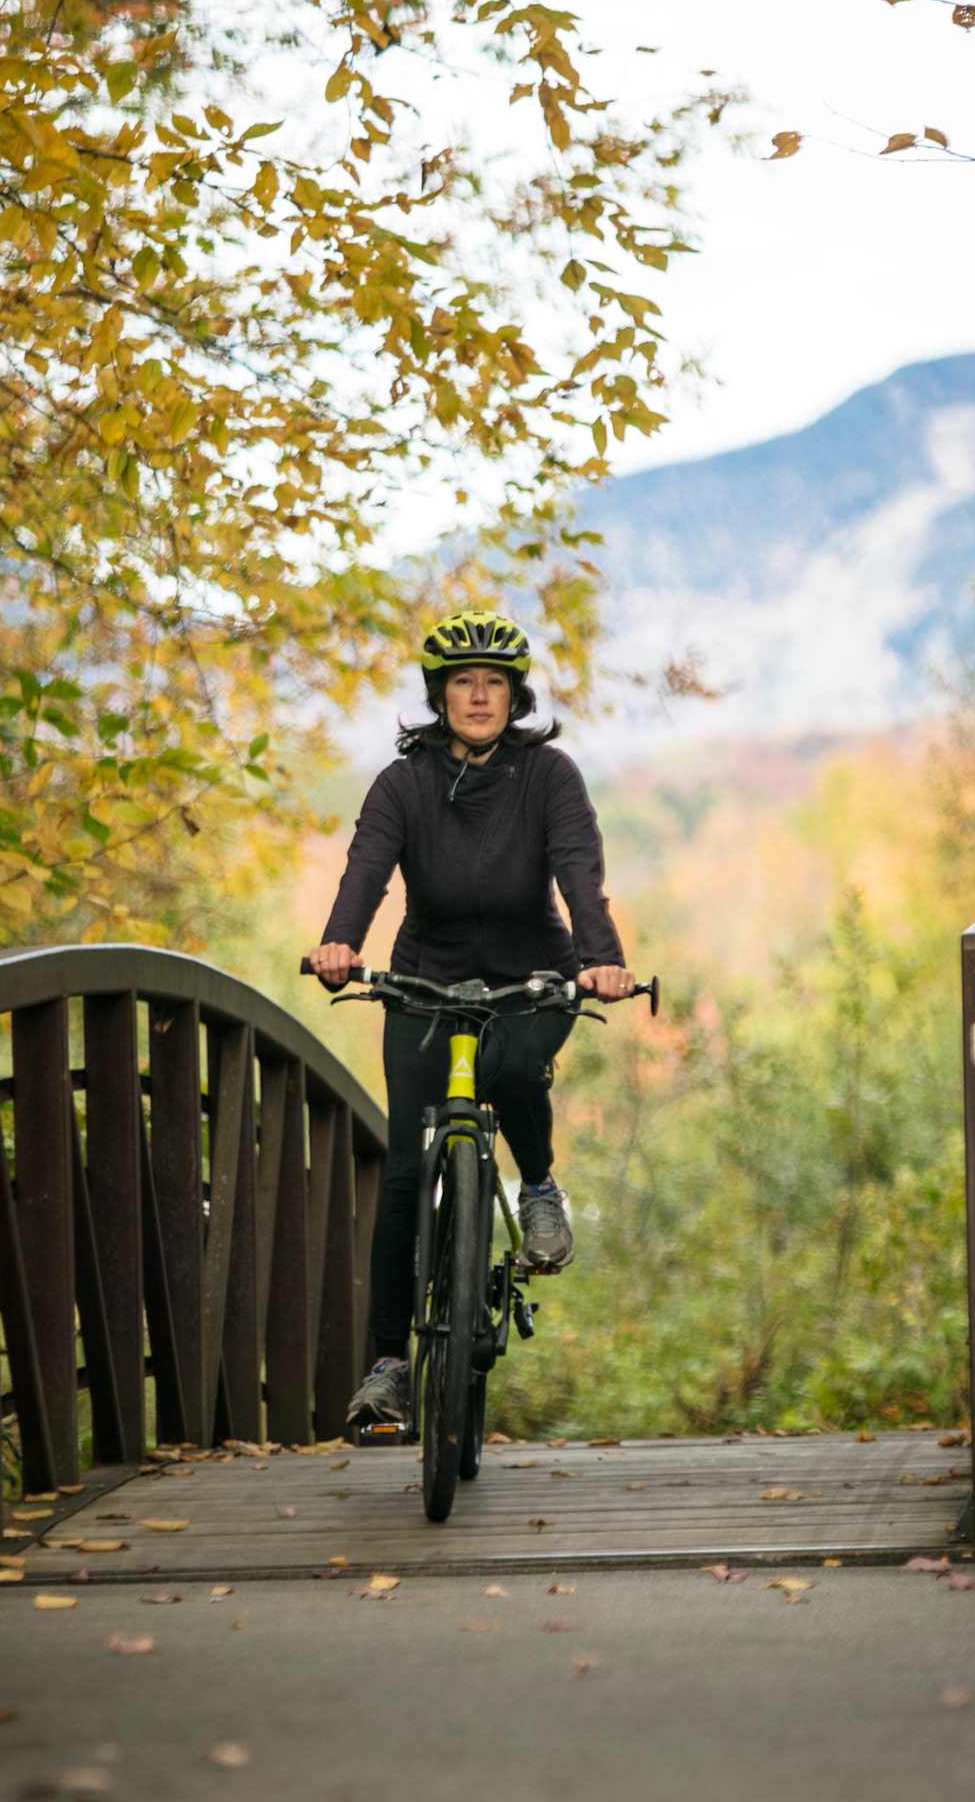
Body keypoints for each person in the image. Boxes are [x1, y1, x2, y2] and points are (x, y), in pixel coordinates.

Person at [307, 608, 634, 1435]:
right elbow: (368, 868)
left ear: (515, 694)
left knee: (517, 1068)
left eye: (494, 682)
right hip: (427, 979)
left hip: (532, 973)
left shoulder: (549, 775)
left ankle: (540, 1189)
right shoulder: (403, 783)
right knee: (408, 1172)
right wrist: (341, 941)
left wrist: (602, 959)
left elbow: (578, 871)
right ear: (439, 694)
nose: (479, 696)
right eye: (463, 682)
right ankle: (388, 1367)